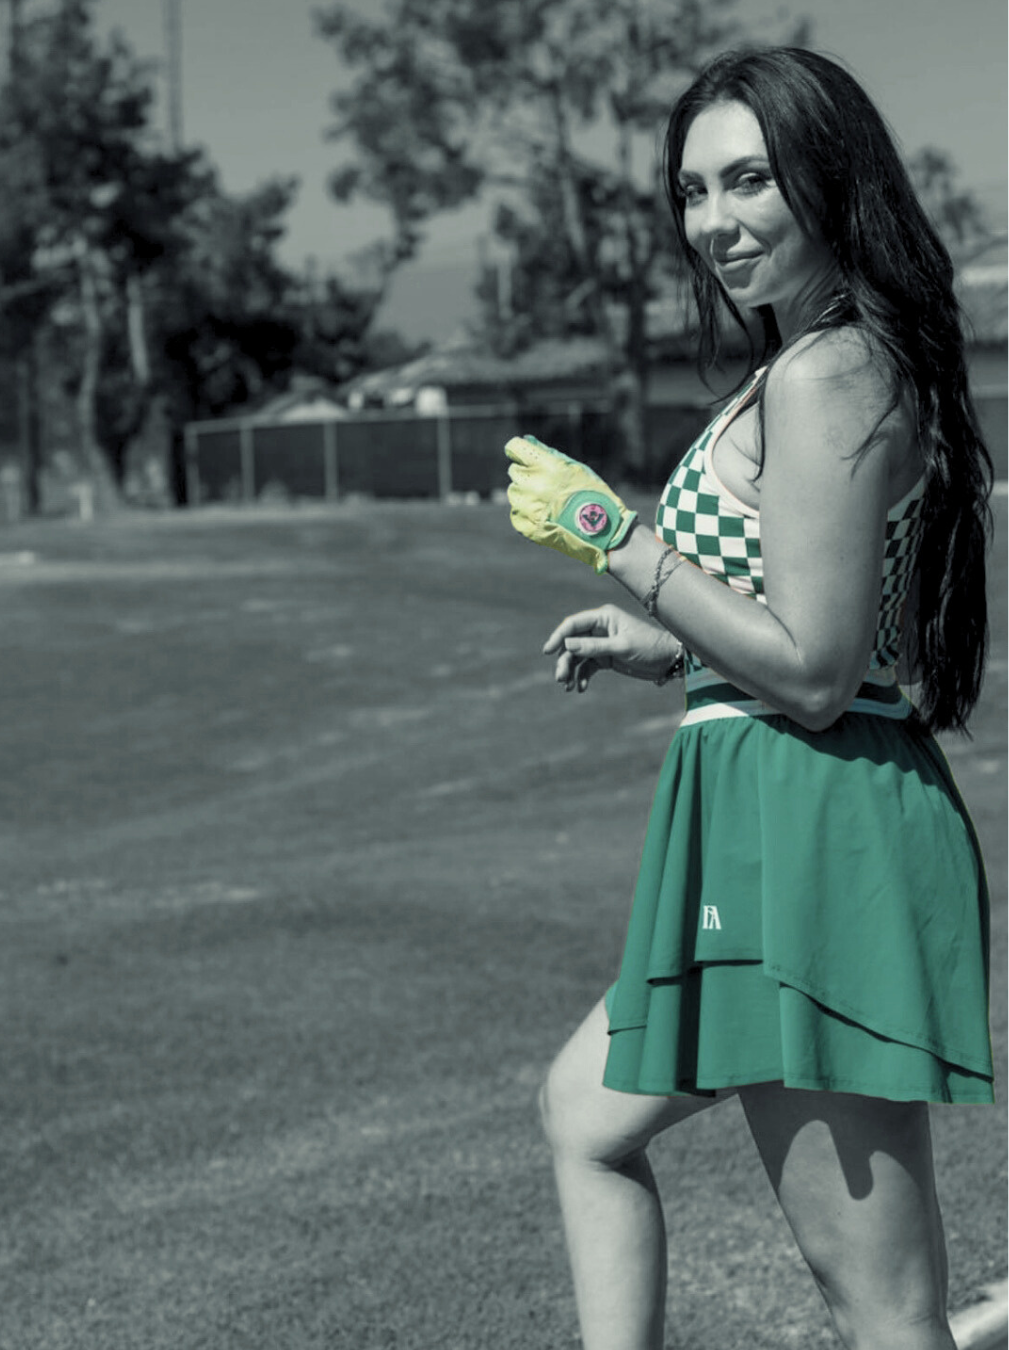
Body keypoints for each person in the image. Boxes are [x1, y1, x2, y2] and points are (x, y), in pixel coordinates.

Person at [504, 46, 994, 1350]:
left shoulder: (831, 375)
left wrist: (608, 528)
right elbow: (825, 624)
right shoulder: (816, 367)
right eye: (691, 192)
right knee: (584, 1113)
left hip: (815, 834)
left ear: (829, 184)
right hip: (760, 815)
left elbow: (824, 674)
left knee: (881, 1303)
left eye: (748, 181)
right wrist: (670, 642)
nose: (713, 221)